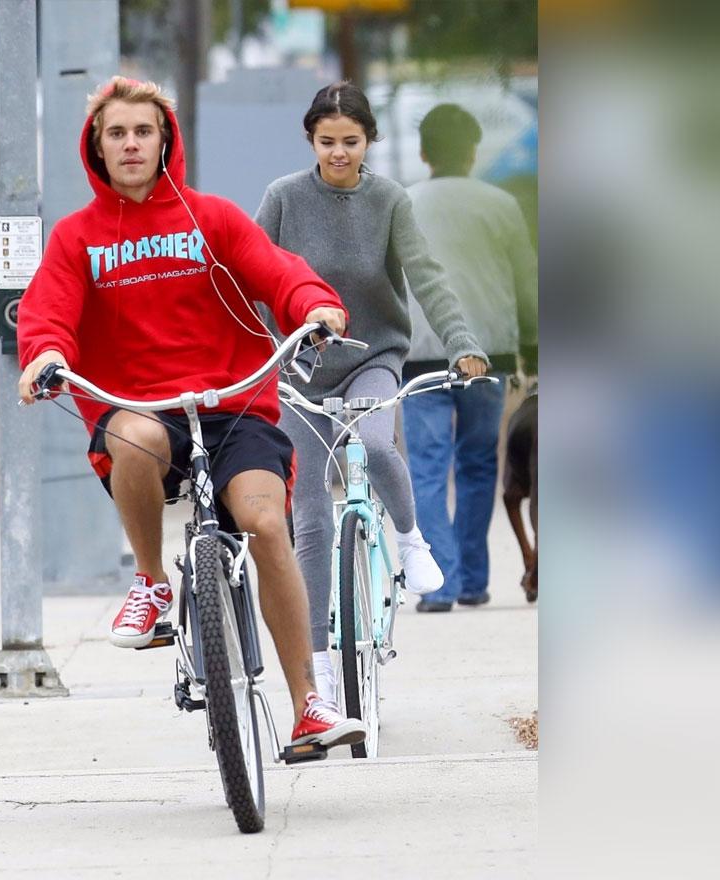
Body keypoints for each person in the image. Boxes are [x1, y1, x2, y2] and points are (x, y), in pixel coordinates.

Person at [16, 76, 363, 750]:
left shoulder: (214, 218)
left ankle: (308, 706)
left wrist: (315, 307)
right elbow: (49, 313)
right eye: (116, 133)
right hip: (141, 409)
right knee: (136, 436)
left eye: (143, 131)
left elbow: (277, 272)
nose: (131, 143)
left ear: (165, 139)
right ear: (97, 146)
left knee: (266, 522)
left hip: (234, 405)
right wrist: (42, 355)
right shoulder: (76, 238)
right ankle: (149, 587)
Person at [255, 82, 487, 699]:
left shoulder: (389, 200)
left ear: (370, 142)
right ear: (311, 140)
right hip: (299, 368)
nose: (338, 153)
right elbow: (248, 277)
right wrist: (242, 352)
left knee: (378, 445)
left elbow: (426, 276)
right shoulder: (282, 198)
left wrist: (462, 341)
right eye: (327, 142)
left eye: (350, 142)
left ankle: (410, 540)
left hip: (372, 356)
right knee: (306, 518)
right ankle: (321, 672)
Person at [401, 104, 538, 612]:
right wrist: (530, 348)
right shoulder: (501, 205)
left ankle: (440, 584)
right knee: (479, 463)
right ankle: (475, 579)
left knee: (428, 468)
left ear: (423, 152)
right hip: (490, 352)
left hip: (421, 356)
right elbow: (526, 285)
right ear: (474, 152)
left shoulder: (405, 202)